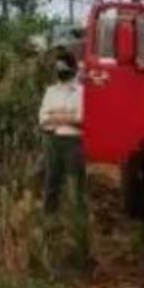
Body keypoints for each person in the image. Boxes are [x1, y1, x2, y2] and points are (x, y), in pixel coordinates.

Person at [39, 51, 86, 214]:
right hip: (52, 140)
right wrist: (68, 116)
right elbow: (43, 119)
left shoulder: (81, 92)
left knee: (75, 184)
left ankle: (77, 224)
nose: (60, 70)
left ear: (72, 68)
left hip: (73, 142)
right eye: (57, 67)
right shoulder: (51, 91)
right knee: (51, 181)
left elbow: (82, 119)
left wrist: (56, 115)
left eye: (63, 67)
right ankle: (49, 221)